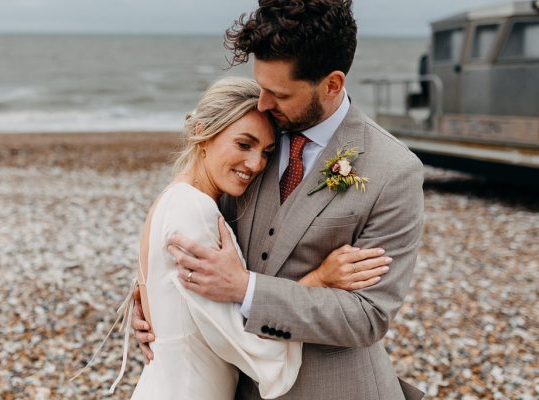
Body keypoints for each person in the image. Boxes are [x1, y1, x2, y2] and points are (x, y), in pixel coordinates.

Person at [133, 1, 426, 399]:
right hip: (239, 383)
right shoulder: (253, 135)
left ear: (332, 84)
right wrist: (159, 303)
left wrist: (246, 289)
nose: (263, 103)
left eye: (279, 93)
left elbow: (366, 317)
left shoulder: (394, 171)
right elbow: (191, 219)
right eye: (261, 86)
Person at [73, 77, 391, 399]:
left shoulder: (176, 197)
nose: (255, 164)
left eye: (267, 152)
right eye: (243, 144)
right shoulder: (193, 208)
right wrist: (319, 279)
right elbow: (248, 345)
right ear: (202, 133)